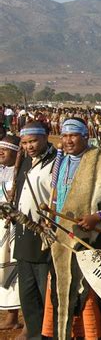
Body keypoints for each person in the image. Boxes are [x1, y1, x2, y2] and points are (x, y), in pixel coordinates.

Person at [41, 118, 101, 339]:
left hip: (89, 240)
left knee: (84, 292)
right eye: (64, 136)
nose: (67, 140)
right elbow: (56, 197)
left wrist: (98, 216)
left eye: (73, 136)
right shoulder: (61, 163)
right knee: (59, 287)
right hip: (61, 238)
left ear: (85, 137)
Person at [15, 122, 57, 340]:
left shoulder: (57, 163)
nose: (29, 146)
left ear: (45, 137)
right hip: (23, 236)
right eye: (24, 143)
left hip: (44, 238)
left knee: (45, 295)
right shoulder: (24, 162)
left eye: (33, 141)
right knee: (28, 297)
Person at [0, 136, 22, 331]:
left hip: (12, 226)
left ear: (16, 153)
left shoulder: (19, 173)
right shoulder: (1, 170)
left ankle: (13, 316)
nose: (1, 152)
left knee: (11, 271)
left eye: (5, 149)